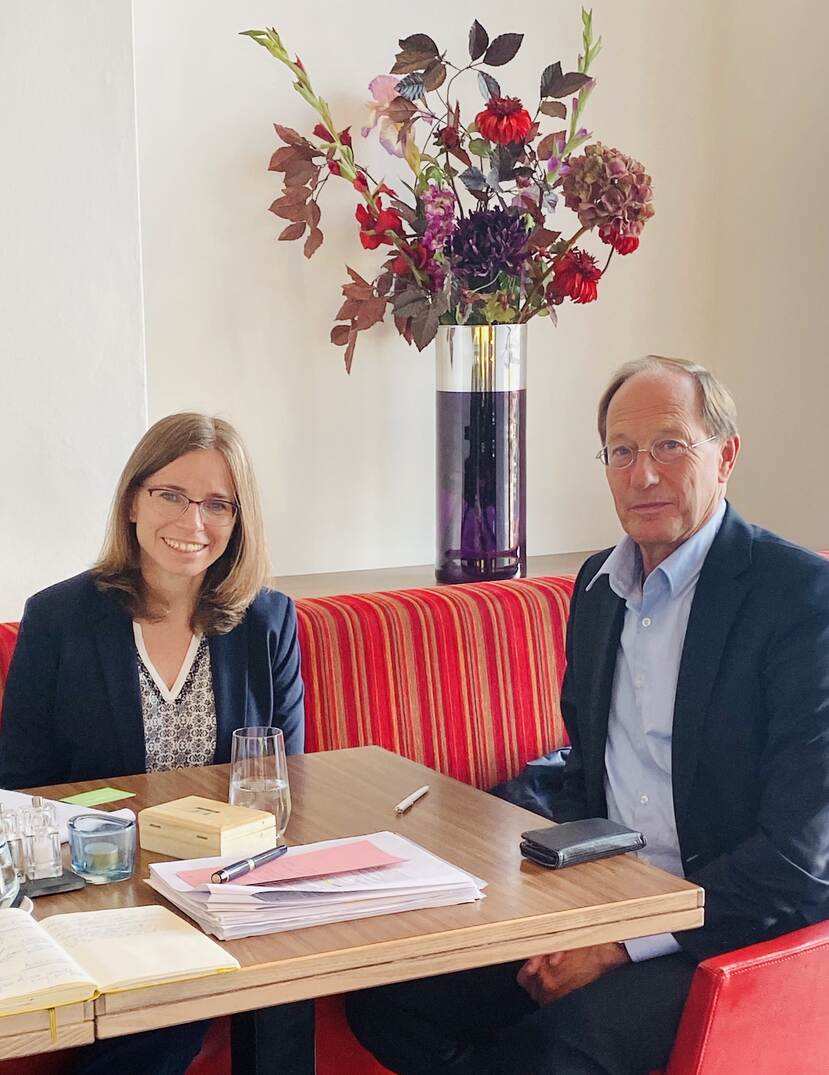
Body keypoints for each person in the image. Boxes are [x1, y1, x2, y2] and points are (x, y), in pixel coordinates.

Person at [345, 355, 829, 1075]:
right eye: (621, 451)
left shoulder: (799, 597)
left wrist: (621, 945)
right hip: (607, 899)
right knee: (388, 996)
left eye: (670, 444)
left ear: (724, 455)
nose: (642, 474)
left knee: (552, 1048)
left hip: (730, 931)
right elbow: (582, 779)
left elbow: (798, 857)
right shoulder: (598, 588)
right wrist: (552, 916)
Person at [0, 412, 312, 1075]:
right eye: (170, 494)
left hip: (231, 884)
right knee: (161, 1013)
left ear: (237, 520)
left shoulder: (267, 622)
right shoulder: (58, 619)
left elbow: (289, 782)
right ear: (134, 500)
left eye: (216, 504)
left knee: (288, 981)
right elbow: (21, 786)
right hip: (104, 894)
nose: (191, 521)